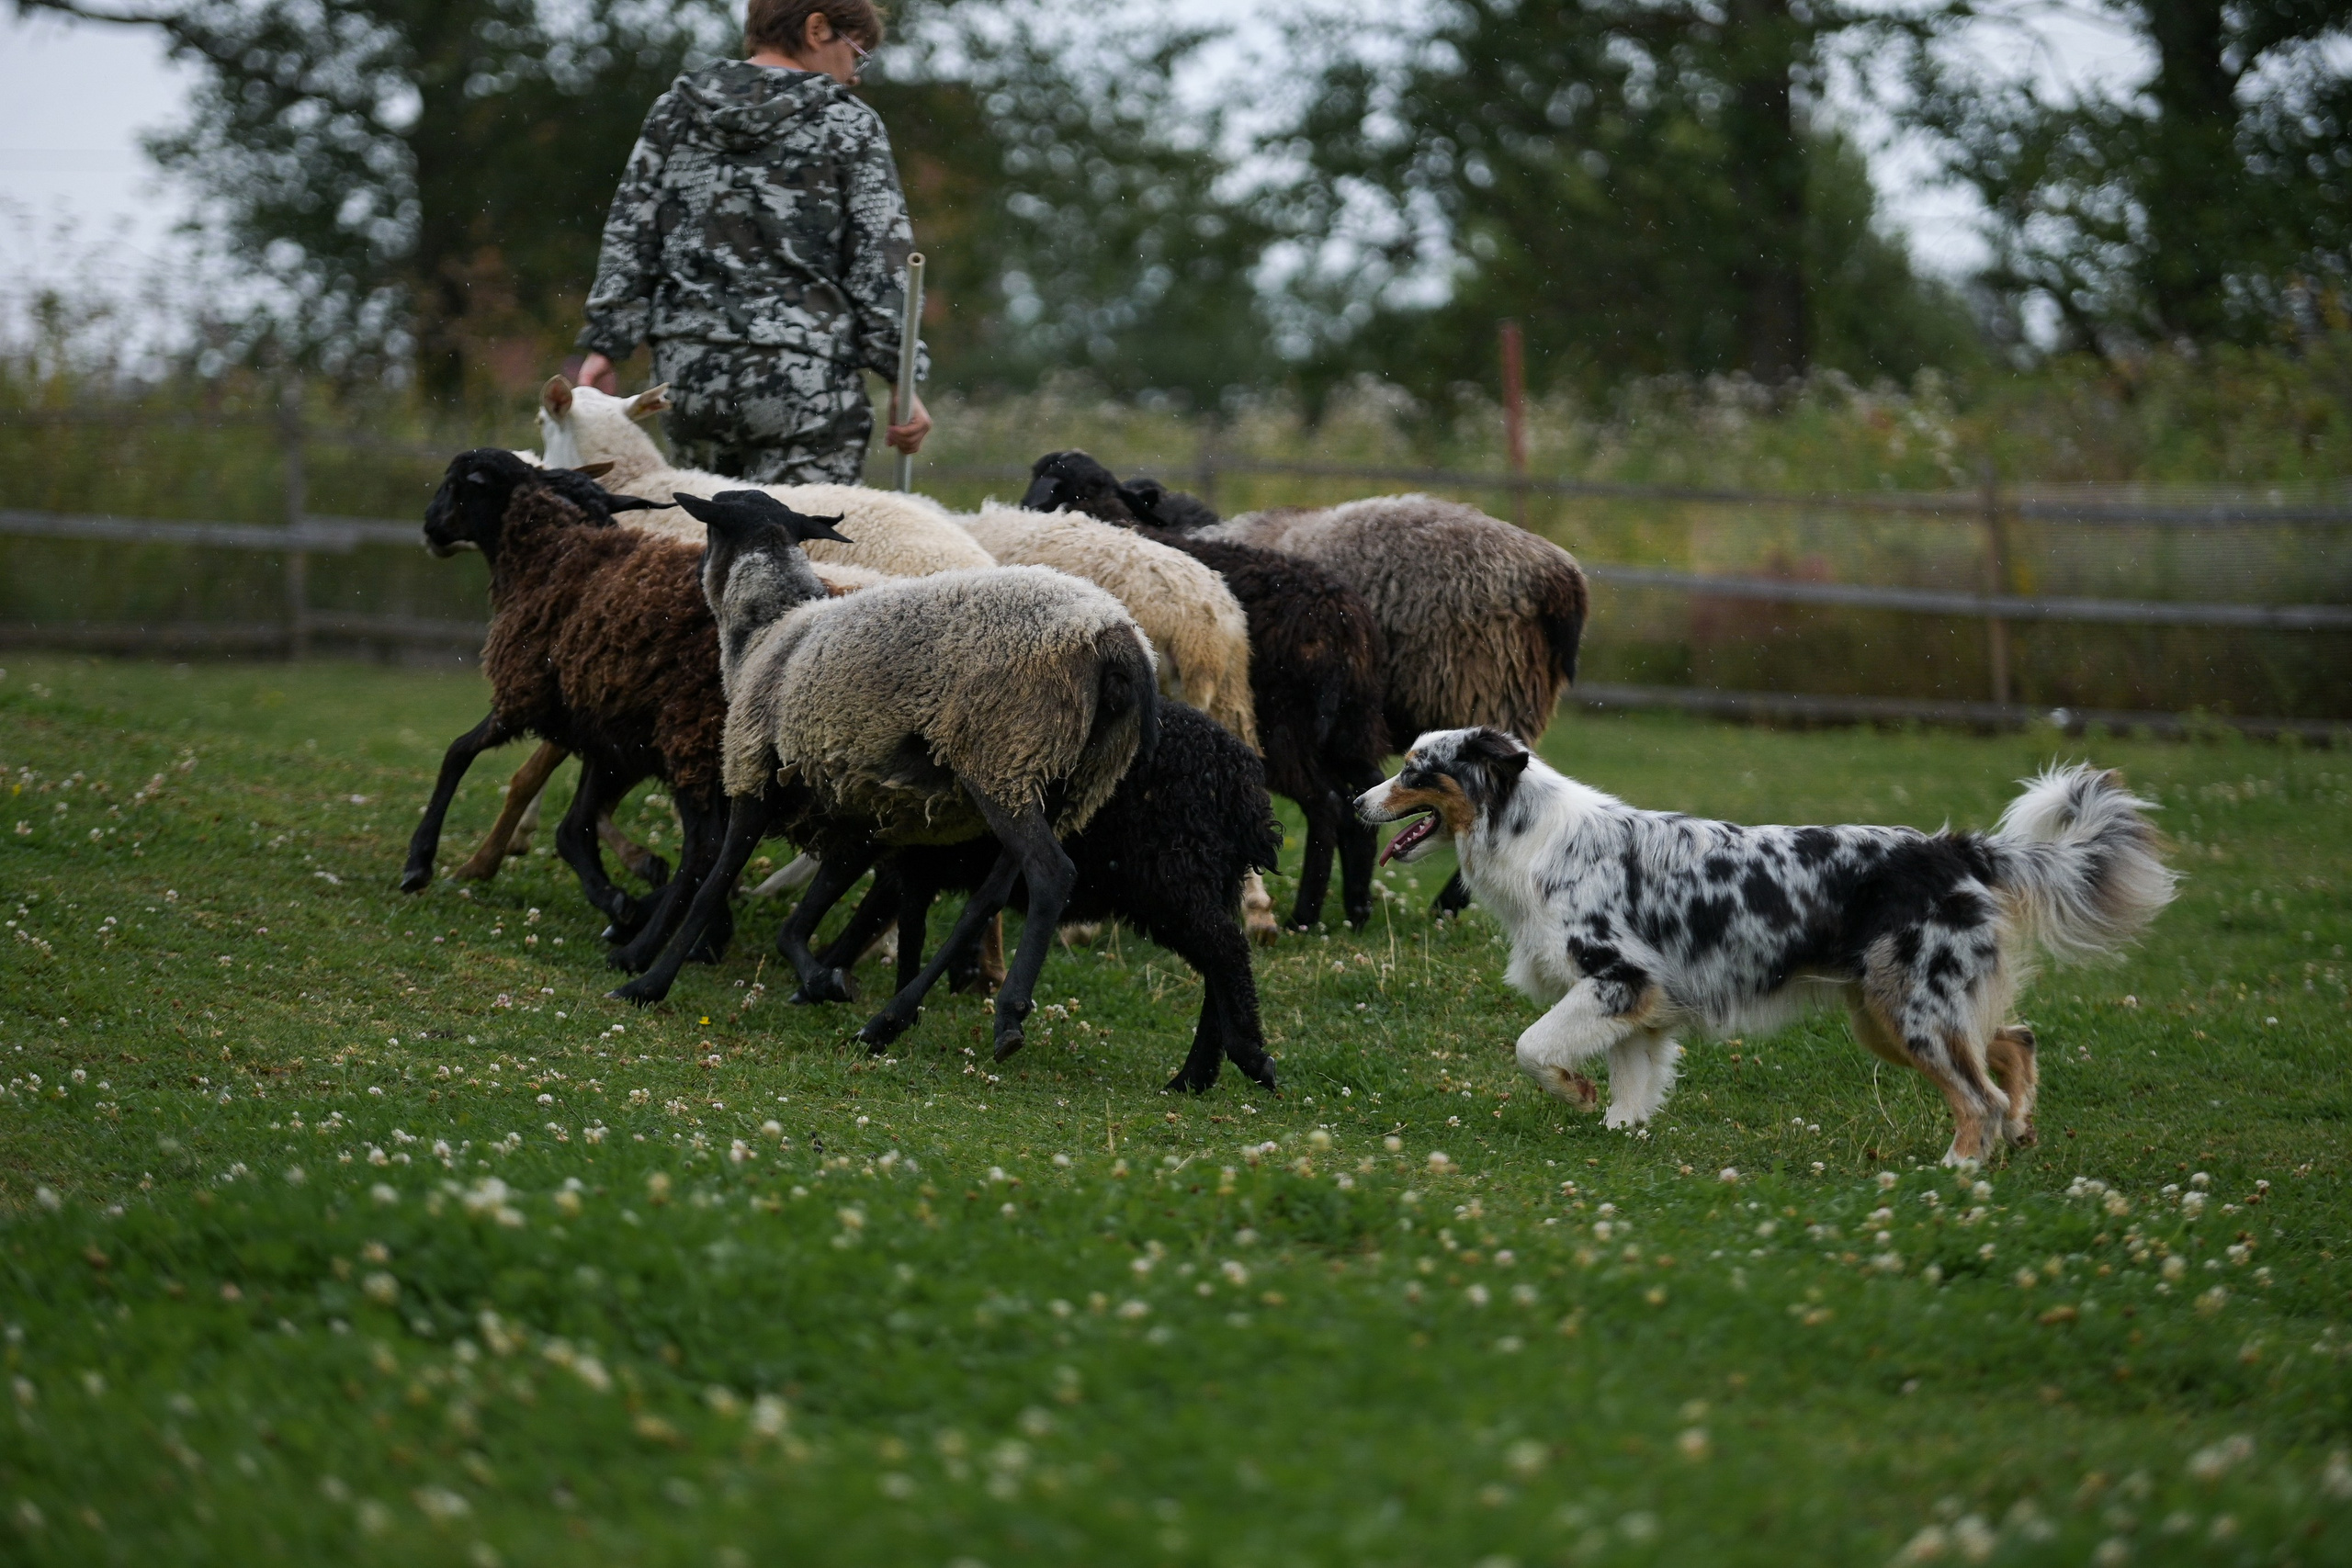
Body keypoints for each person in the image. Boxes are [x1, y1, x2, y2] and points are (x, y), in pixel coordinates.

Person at [576, 0, 931, 484]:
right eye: (856, 53)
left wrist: (605, 345)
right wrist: (901, 375)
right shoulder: (848, 124)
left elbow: (631, 232)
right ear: (817, 29)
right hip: (804, 381)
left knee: (707, 539)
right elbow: (881, 260)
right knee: (809, 549)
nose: (854, 75)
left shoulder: (674, 114)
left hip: (689, 377)